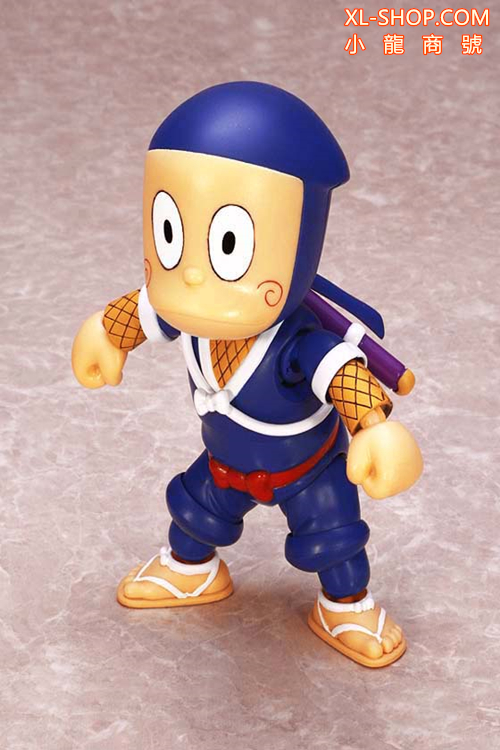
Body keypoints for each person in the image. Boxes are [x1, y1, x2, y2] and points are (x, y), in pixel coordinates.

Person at [72, 82, 422, 668]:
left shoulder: (296, 340)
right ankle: (191, 570)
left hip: (309, 471)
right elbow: (143, 310)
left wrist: (375, 427)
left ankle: (345, 607)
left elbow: (342, 373)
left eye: (228, 244)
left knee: (334, 539)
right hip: (225, 464)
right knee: (194, 512)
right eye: (169, 233)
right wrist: (106, 331)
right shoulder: (189, 309)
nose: (191, 277)